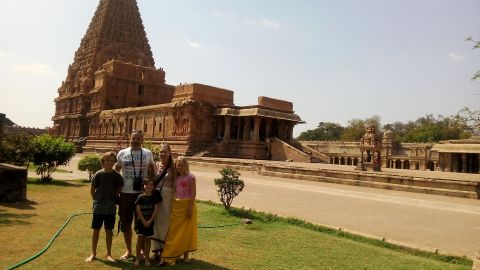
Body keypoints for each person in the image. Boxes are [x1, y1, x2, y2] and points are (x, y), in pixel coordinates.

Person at [115, 130, 156, 260]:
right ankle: (129, 250)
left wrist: (152, 186)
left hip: (142, 195)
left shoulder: (147, 153)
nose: (135, 140)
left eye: (138, 138)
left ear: (142, 140)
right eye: (133, 138)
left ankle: (143, 251)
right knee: (126, 223)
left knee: (142, 225)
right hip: (126, 193)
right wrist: (116, 188)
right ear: (130, 138)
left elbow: (153, 170)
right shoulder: (122, 153)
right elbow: (116, 170)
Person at [85, 152, 124, 263]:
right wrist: (97, 202)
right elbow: (92, 191)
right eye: (108, 160)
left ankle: (109, 254)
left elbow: (118, 192)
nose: (110, 163)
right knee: (96, 230)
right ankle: (93, 253)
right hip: (99, 207)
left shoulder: (117, 176)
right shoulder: (98, 174)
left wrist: (113, 202)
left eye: (112, 161)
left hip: (111, 208)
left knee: (109, 231)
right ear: (103, 161)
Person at [159, 156, 197, 266]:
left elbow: (193, 193)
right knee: (174, 231)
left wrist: (190, 208)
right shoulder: (177, 178)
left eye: (182, 165)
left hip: (187, 206)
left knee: (187, 231)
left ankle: (186, 255)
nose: (179, 167)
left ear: (186, 166)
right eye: (178, 165)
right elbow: (175, 192)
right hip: (177, 206)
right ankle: (172, 253)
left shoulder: (191, 177)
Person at [151, 143, 176, 261]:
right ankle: (156, 250)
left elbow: (175, 183)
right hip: (156, 196)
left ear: (170, 153)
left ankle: (164, 250)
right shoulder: (156, 165)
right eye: (161, 151)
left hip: (168, 196)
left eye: (165, 151)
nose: (163, 154)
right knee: (155, 222)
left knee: (165, 223)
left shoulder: (173, 167)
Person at [133, 178, 159, 266]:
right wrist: (144, 221)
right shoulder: (140, 197)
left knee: (148, 241)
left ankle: (147, 259)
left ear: (153, 186)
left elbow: (155, 210)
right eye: (147, 184)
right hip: (141, 222)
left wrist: (150, 221)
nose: (149, 186)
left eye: (151, 185)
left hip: (150, 223)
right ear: (143, 186)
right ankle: (137, 259)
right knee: (140, 240)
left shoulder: (154, 197)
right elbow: (138, 210)